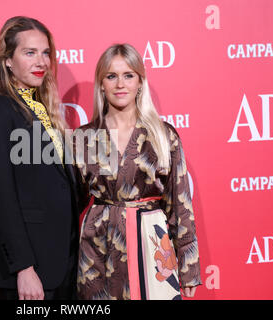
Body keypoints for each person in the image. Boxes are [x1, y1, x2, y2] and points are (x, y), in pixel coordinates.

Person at [73, 44, 202, 300]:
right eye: (111, 76)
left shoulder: (163, 135)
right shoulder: (83, 138)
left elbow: (180, 205)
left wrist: (189, 267)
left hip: (152, 243)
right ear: (101, 84)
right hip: (98, 248)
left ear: (140, 82)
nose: (120, 83)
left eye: (128, 75)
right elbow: (69, 204)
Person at [0, 16, 79, 300]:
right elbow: (1, 193)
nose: (41, 62)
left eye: (45, 53)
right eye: (29, 52)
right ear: (7, 60)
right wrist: (23, 267)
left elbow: (63, 187)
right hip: (30, 272)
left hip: (65, 262)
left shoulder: (45, 110)